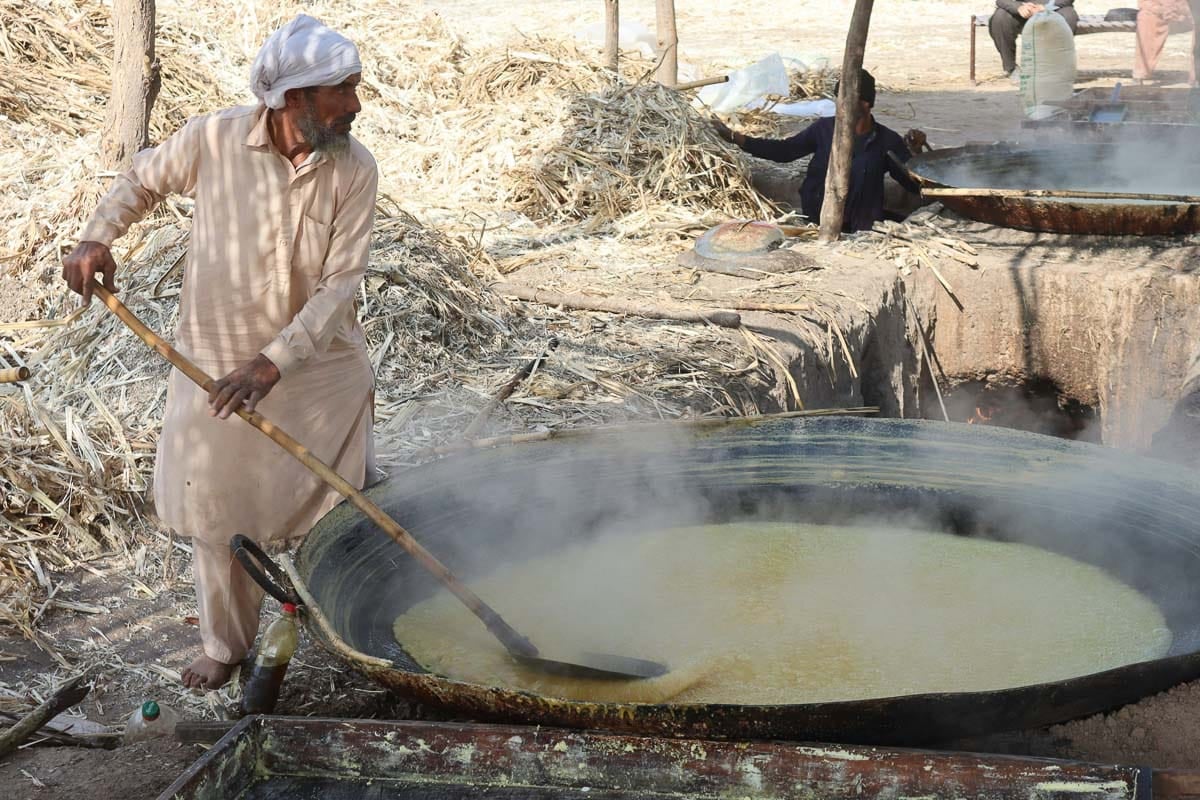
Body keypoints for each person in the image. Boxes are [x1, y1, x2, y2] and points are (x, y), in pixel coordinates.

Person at [60, 14, 379, 690]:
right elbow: (140, 179)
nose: (356, 104)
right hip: (217, 364)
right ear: (294, 98)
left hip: (317, 371)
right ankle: (226, 645)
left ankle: (355, 628)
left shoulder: (355, 169)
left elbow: (341, 285)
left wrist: (275, 361)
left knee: (344, 505)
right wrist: (96, 237)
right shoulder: (214, 138)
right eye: (343, 90)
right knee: (219, 511)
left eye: (355, 88)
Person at [711, 69, 924, 233]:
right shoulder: (824, 129)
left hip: (863, 226)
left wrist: (916, 155)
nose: (840, 105)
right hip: (819, 219)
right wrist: (736, 138)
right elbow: (785, 152)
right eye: (838, 98)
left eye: (846, 99)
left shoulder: (886, 140)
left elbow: (913, 185)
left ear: (866, 103)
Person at [989, 1, 1079, 77]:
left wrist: (1045, 7)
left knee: (1068, 16)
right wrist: (1018, 7)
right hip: (1023, 10)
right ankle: (1011, 69)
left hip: (1054, 9)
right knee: (1000, 17)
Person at [1133, 0, 1200, 85]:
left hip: (1188, 10)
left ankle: (1197, 76)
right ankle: (1141, 72)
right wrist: (1161, 9)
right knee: (1146, 17)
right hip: (1158, 9)